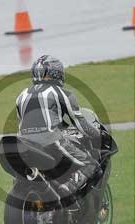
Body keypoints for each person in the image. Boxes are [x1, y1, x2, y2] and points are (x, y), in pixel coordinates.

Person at [15, 55, 100, 197]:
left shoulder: (21, 95)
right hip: (51, 141)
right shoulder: (62, 93)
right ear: (56, 73)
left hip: (24, 143)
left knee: (24, 173)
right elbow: (80, 124)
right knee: (91, 165)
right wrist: (98, 134)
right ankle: (68, 187)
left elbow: (24, 122)